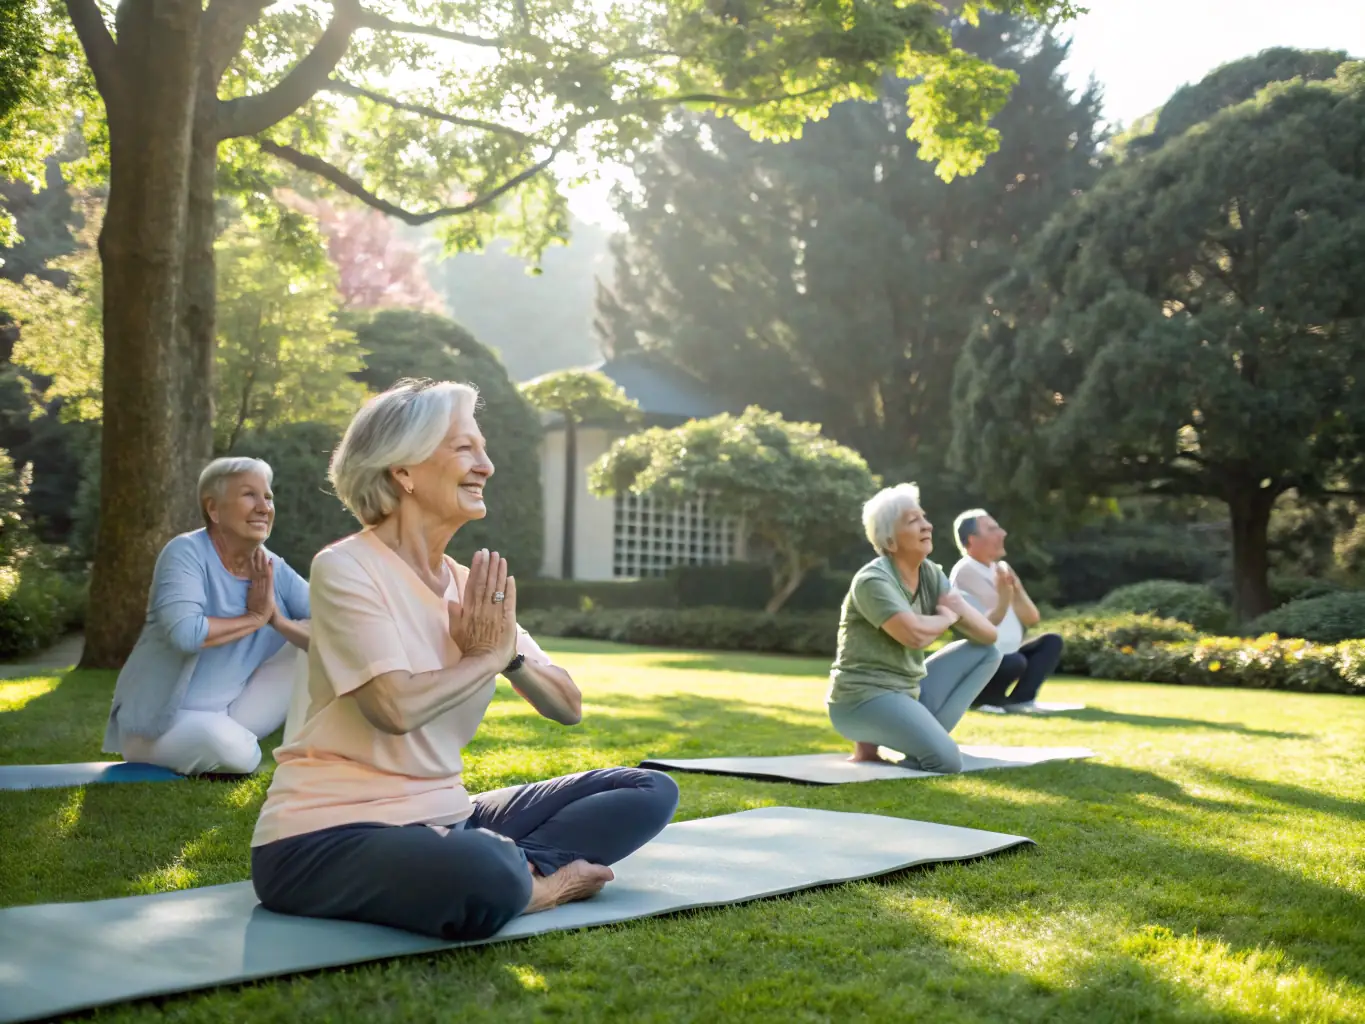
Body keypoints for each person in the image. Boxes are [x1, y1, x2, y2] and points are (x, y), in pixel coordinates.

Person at [250, 378, 679, 941]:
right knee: (478, 863)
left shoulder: (466, 585)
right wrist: (484, 657)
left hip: (447, 815)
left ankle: (506, 869)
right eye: (464, 448)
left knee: (648, 790)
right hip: (324, 835)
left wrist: (511, 661)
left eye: (483, 448)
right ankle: (535, 884)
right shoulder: (348, 568)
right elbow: (394, 708)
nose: (487, 466)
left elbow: (568, 706)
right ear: (403, 471)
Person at [102, 457, 311, 776]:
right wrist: (255, 618)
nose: (263, 507)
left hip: (231, 713)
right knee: (237, 754)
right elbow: (187, 634)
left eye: (267, 497)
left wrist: (279, 622)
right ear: (213, 509)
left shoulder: (269, 565)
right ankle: (228, 742)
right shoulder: (185, 552)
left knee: (316, 636)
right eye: (249, 495)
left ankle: (243, 738)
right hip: (162, 723)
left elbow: (334, 616)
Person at [826, 483, 1002, 774]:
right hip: (861, 700)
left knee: (988, 653)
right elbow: (914, 635)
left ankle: (918, 746)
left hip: (908, 691)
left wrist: (956, 609)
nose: (927, 526)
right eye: (913, 521)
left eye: (924, 517)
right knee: (946, 761)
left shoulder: (931, 574)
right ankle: (920, 746)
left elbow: (988, 634)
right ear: (891, 542)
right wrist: (947, 617)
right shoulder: (873, 581)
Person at [948, 508, 1063, 714]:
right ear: (972, 539)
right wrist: (1005, 592)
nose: (1002, 534)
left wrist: (1016, 587)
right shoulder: (965, 570)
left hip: (1009, 653)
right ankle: (985, 699)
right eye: (992, 529)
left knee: (1051, 642)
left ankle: (1021, 699)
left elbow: (1031, 618)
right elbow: (993, 617)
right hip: (982, 656)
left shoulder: (1000, 569)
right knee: (1013, 661)